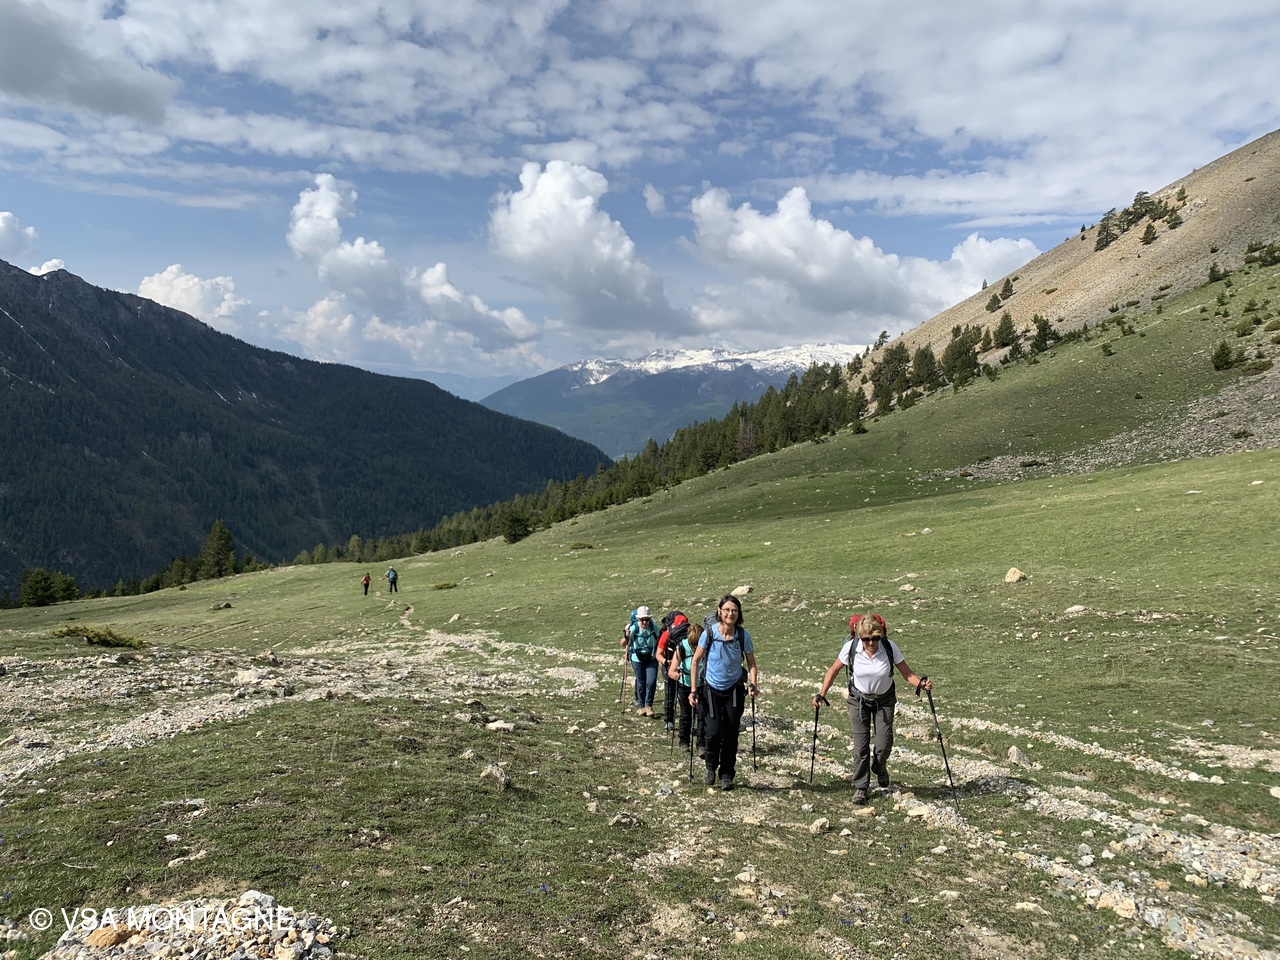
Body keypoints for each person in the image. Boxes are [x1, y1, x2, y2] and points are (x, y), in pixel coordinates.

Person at [812, 613, 932, 804]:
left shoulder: (889, 647)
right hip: (858, 700)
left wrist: (921, 684)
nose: (871, 643)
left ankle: (879, 767)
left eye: (875, 638)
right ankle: (861, 787)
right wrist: (822, 694)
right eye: (866, 639)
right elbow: (833, 670)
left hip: (884, 701)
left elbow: (907, 673)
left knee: (884, 744)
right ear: (860, 637)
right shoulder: (851, 647)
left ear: (880, 635)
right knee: (861, 746)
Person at [689, 595, 758, 790]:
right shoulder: (709, 633)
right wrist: (693, 690)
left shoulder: (743, 636)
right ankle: (710, 767)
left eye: (734, 610)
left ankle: (727, 775)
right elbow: (695, 661)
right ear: (719, 611)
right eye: (727, 610)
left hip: (734, 689)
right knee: (713, 732)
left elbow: (752, 663)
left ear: (739, 613)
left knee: (731, 733)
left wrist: (753, 684)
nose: (730, 614)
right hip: (710, 689)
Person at [621, 606, 660, 716]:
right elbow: (623, 643)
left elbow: (661, 638)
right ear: (638, 619)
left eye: (647, 619)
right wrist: (626, 636)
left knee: (651, 681)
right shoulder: (633, 628)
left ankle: (648, 706)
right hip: (637, 659)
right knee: (641, 682)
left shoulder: (653, 626)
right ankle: (641, 706)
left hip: (651, 658)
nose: (644, 622)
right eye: (642, 620)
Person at [657, 611, 691, 737]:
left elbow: (658, 654)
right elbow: (658, 654)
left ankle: (670, 721)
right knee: (672, 695)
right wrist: (667, 662)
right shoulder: (667, 634)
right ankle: (670, 720)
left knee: (672, 695)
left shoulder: (668, 634)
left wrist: (665, 662)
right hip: (671, 667)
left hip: (678, 668)